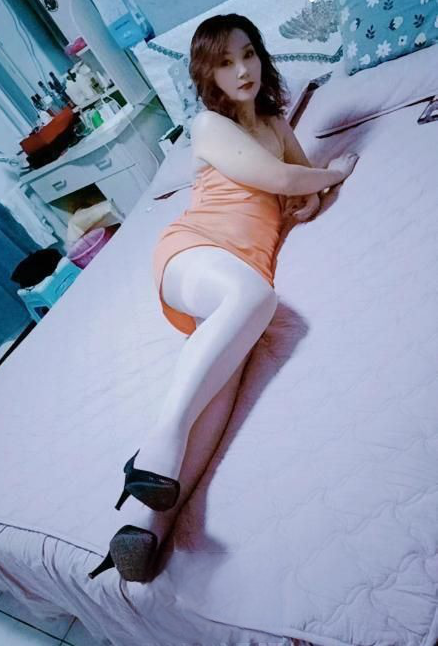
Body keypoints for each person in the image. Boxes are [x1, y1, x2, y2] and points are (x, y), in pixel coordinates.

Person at [88, 13, 359, 582]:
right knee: (255, 299)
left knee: (219, 399)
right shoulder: (209, 126)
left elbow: (299, 187)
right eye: (225, 63)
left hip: (241, 276)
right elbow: (287, 181)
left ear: (261, 55)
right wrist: (333, 173)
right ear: (207, 76)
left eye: (248, 54)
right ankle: (155, 447)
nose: (242, 71)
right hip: (195, 253)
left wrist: (313, 194)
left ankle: (144, 530)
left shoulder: (276, 125)